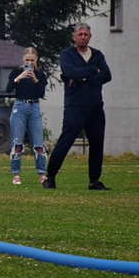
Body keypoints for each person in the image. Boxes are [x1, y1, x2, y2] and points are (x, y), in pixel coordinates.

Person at [44, 23, 112, 190]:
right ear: (74, 37)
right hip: (75, 107)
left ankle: (94, 181)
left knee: (97, 144)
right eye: (80, 34)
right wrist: (91, 71)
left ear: (90, 37)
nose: (83, 37)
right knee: (65, 142)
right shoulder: (67, 54)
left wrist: (82, 76)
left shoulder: (97, 54)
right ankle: (50, 177)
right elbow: (69, 72)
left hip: (96, 107)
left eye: (86, 34)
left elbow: (107, 75)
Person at [6, 47, 48, 185]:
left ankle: (42, 175)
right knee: (17, 142)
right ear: (23, 59)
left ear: (36, 59)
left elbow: (41, 93)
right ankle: (16, 175)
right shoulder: (16, 72)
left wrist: (35, 80)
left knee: (38, 143)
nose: (29, 62)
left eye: (32, 60)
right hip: (19, 106)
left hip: (34, 108)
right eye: (27, 60)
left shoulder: (41, 75)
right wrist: (19, 78)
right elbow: (8, 89)